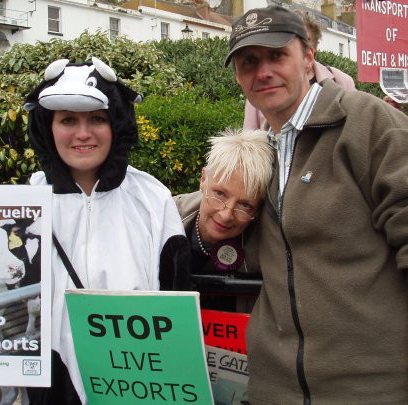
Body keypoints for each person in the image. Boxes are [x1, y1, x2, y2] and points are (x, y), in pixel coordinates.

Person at [0, 57, 189, 405]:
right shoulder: (22, 207)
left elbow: (176, 304)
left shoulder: (152, 199)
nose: (83, 134)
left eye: (97, 118)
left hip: (135, 391)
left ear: (117, 123)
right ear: (47, 127)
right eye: (67, 119)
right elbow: (8, 310)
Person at [225, 5, 408, 404]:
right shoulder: (261, 152)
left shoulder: (367, 123)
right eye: (248, 62)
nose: (263, 72)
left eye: (277, 55)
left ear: (308, 58)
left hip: (370, 389)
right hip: (273, 391)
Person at [174, 128, 273, 313]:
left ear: (258, 208)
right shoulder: (163, 218)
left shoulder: (269, 248)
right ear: (203, 179)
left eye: (245, 205)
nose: (226, 215)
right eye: (219, 194)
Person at [243, 11, 355, 130]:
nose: (300, 44)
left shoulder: (339, 79)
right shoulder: (261, 89)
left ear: (313, 49)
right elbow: (250, 134)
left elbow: (354, 120)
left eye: (305, 39)